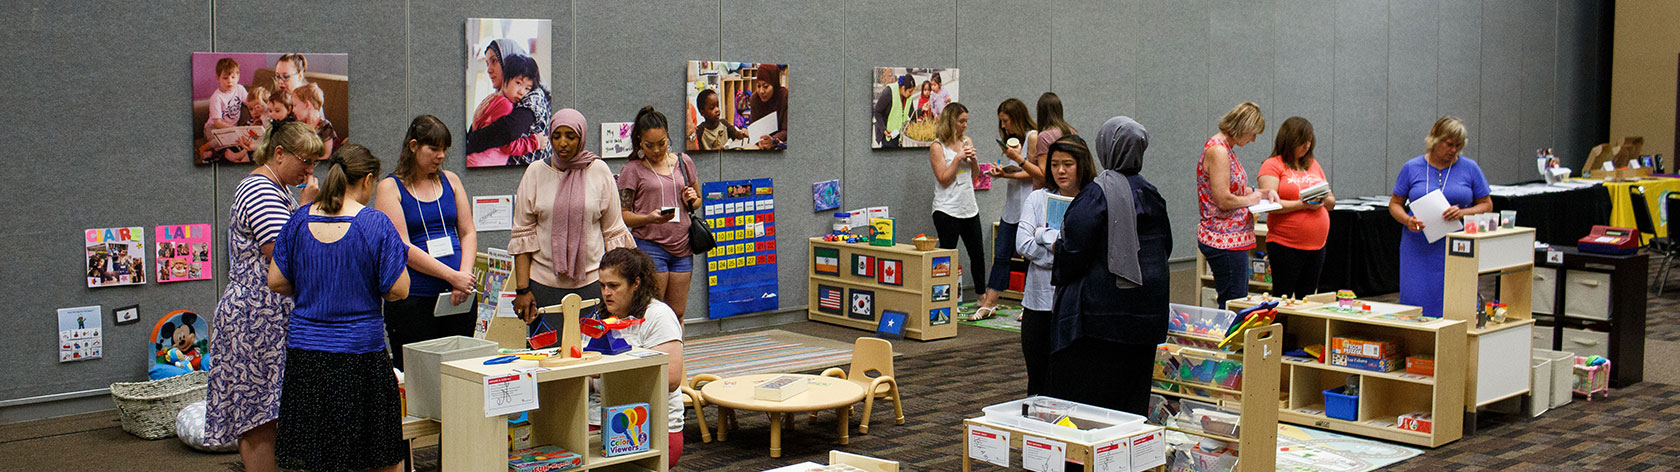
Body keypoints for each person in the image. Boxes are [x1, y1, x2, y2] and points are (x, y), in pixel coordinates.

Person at [267, 144, 410, 472]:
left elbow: (276, 280)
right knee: (381, 454)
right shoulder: (375, 225)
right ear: (369, 180)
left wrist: (313, 286)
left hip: (307, 358)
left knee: (319, 457)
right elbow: (399, 289)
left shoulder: (299, 220)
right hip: (362, 356)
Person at [205, 121, 324, 472]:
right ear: (279, 153)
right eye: (305, 160)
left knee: (269, 411)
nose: (310, 169)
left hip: (269, 316)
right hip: (254, 318)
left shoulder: (278, 187)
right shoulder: (260, 189)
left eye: (315, 162)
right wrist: (305, 208)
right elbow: (282, 253)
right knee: (257, 416)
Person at [1049, 118, 1171, 416]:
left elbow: (1074, 249)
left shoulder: (1096, 194)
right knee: (1133, 400)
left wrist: (1056, 250)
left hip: (1102, 314)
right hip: (1148, 311)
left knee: (1094, 406)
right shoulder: (1152, 193)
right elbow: (1165, 246)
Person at [510, 109, 635, 336]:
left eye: (570, 136)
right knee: (547, 361)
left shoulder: (599, 171)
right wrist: (522, 289)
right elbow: (522, 236)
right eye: (557, 136)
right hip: (543, 285)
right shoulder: (535, 172)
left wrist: (618, 288)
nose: (563, 143)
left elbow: (613, 232)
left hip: (593, 284)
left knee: (592, 356)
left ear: (582, 137)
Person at [374, 115, 478, 367]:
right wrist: (452, 276)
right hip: (415, 299)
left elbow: (468, 232)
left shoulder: (451, 180)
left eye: (444, 149)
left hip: (457, 296)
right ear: (413, 147)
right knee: (417, 377)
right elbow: (402, 247)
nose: (440, 155)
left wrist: (462, 278)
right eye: (433, 148)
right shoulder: (390, 187)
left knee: (458, 374)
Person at [1013, 125, 1094, 395]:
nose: (1060, 171)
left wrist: (1043, 236)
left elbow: (1087, 251)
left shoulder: (1092, 202)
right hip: (1038, 302)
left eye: (1067, 164)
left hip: (1076, 304)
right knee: (1037, 378)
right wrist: (1061, 253)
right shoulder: (1037, 198)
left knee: (1070, 378)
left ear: (1081, 165)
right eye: (1055, 164)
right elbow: (1023, 243)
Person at [588, 248, 685, 468]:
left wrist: (604, 368)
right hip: (599, 417)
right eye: (602, 286)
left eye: (614, 286)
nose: (606, 293)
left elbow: (671, 380)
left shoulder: (658, 315)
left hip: (651, 424)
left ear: (636, 283)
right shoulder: (599, 316)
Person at [1389, 116, 1491, 317]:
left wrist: (1463, 212)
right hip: (1417, 246)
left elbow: (1486, 204)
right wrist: (1407, 220)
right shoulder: (1411, 167)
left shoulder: (1470, 168)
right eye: (1449, 144)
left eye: (1458, 146)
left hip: (1456, 246)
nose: (1453, 150)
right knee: (1415, 301)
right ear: (1435, 140)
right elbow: (1394, 204)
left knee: (1455, 299)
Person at [618, 107, 703, 320]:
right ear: (639, 141)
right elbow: (623, 214)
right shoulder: (633, 169)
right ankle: (656, 353)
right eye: (649, 145)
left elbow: (698, 201)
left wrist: (691, 199)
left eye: (662, 143)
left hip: (683, 246)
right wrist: (649, 218)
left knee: (678, 314)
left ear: (668, 137)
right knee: (654, 312)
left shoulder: (683, 162)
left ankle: (677, 353)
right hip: (651, 246)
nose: (656, 150)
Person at [1197, 101, 1274, 308]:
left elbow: (1233, 190)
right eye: (1253, 133)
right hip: (1223, 239)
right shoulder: (1219, 151)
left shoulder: (1227, 149)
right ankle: (1228, 341)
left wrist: (1259, 193)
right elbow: (1223, 199)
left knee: (1236, 299)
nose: (1253, 139)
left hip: (1233, 238)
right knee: (1233, 302)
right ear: (1244, 128)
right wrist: (1251, 200)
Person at [974, 98, 1044, 320]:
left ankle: (1028, 303)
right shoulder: (1011, 140)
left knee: (1029, 256)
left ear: (1016, 117)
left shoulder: (1033, 136)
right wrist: (1002, 170)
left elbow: (1036, 172)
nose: (1003, 126)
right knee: (1002, 253)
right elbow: (1018, 171)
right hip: (1012, 205)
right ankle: (989, 302)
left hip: (1030, 204)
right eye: (1001, 122)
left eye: (1005, 121)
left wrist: (1008, 171)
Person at [1257, 117, 1335, 299]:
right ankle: (1280, 327)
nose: (1306, 146)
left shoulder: (1313, 164)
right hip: (1285, 244)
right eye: (1302, 141)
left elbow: (1331, 200)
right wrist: (1302, 205)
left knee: (1307, 298)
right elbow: (1270, 204)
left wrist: (1324, 199)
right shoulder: (1273, 165)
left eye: (1309, 141)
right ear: (1290, 140)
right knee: (1282, 296)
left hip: (1317, 246)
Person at [928, 102, 986, 308]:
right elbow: (944, 178)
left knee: (977, 253)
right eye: (961, 121)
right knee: (948, 255)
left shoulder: (966, 141)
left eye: (966, 122)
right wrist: (957, 159)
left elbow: (975, 176)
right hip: (947, 209)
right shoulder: (937, 147)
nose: (965, 126)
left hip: (969, 207)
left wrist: (973, 161)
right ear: (951, 121)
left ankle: (982, 297)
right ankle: (944, 298)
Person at [466, 39, 553, 166]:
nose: (489, 70)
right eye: (487, 63)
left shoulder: (534, 95)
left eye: (494, 61)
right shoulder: (497, 98)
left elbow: (507, 131)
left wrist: (471, 142)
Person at [291, 82, 338, 156]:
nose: (293, 110)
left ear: (307, 105)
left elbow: (327, 156)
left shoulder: (325, 127)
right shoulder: (300, 125)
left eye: (295, 105)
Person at [749, 63, 788, 149]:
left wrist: (773, 140)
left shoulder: (784, 97)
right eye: (758, 86)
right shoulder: (754, 99)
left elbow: (786, 130)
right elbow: (754, 128)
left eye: (765, 86)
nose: (761, 91)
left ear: (774, 85)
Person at [873, 74, 915, 148]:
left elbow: (912, 114)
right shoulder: (888, 92)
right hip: (887, 135)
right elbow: (877, 111)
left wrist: (922, 110)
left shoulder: (908, 98)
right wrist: (884, 129)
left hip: (899, 135)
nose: (911, 94)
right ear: (903, 88)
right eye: (910, 91)